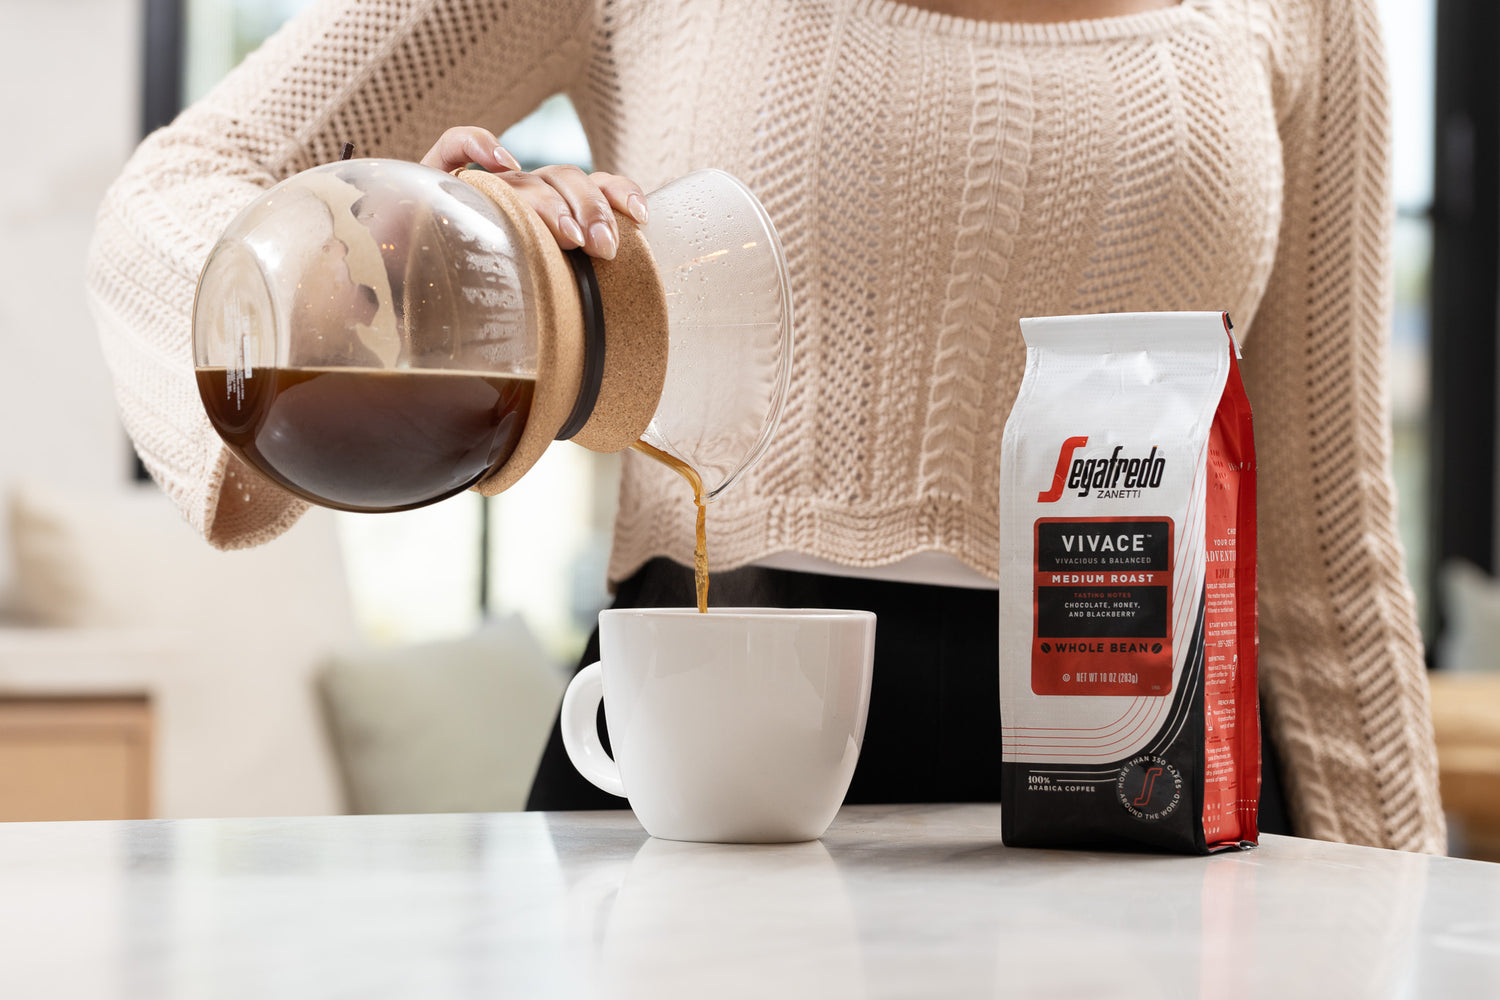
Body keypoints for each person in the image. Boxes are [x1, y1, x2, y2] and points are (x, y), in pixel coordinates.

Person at [87, 0, 1445, 851]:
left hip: (1159, 789)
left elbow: (1330, 557)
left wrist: (1406, 932)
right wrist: (423, 251)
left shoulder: (1308, 13)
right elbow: (181, 193)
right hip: (701, 780)